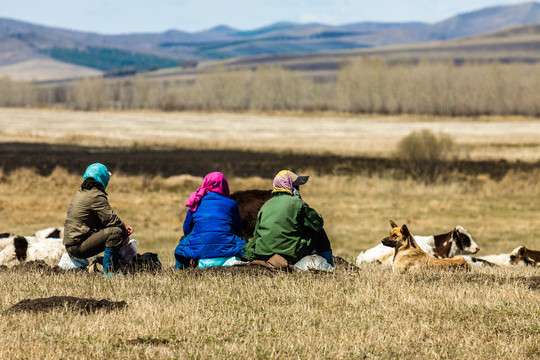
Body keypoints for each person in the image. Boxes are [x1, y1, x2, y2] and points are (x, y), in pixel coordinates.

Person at [242, 170, 333, 266]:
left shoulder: (266, 205)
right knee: (318, 231)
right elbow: (317, 223)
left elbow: (256, 232)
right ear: (290, 187)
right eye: (296, 186)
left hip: (263, 252)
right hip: (289, 253)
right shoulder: (297, 203)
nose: (298, 189)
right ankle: (328, 262)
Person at [63, 163, 133, 277]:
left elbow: (104, 220)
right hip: (77, 246)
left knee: (115, 230)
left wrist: (123, 227)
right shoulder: (95, 196)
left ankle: (112, 266)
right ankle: (109, 272)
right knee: (116, 232)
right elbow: (111, 220)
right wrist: (125, 234)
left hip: (72, 243)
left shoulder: (83, 192)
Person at [174, 172, 246, 269]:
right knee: (246, 246)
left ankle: (179, 271)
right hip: (227, 249)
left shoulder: (195, 201)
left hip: (200, 250)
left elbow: (186, 230)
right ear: (224, 185)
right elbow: (239, 229)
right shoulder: (231, 203)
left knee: (179, 250)